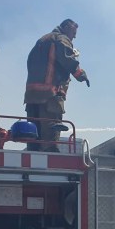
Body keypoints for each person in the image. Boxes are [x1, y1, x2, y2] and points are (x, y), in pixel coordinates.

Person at [24, 19, 90, 152]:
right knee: (50, 132)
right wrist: (81, 74)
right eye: (73, 32)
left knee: (34, 132)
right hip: (49, 94)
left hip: (32, 94)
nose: (74, 37)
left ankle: (33, 151)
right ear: (65, 27)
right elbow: (67, 59)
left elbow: (30, 62)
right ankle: (50, 154)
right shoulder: (61, 39)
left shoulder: (42, 40)